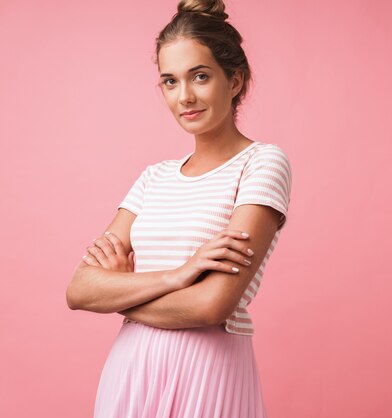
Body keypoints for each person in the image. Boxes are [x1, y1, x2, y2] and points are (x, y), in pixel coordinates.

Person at [65, 0, 292, 416]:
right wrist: (179, 274)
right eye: (170, 81)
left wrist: (118, 293)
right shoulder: (154, 178)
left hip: (208, 371)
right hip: (132, 368)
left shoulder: (261, 163)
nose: (185, 96)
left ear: (235, 80)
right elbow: (79, 290)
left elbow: (211, 306)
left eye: (200, 77)